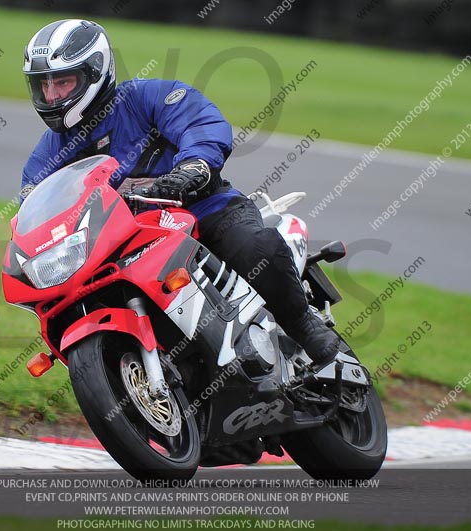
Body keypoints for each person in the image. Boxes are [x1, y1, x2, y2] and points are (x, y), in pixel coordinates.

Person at [20, 19, 340, 365]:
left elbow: (200, 121)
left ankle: (302, 325)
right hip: (123, 242)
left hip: (204, 209)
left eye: (63, 82)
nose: (52, 96)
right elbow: (34, 208)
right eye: (44, 85)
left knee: (254, 248)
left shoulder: (146, 97)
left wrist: (194, 165)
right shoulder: (48, 153)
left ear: (95, 72)